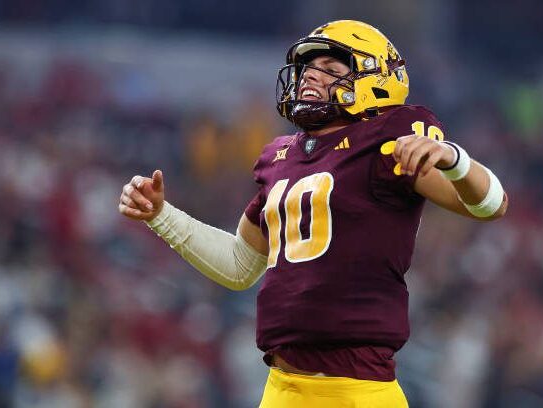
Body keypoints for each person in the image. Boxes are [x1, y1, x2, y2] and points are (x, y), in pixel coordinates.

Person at [118, 20, 508, 407]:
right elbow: (239, 265)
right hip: (281, 389)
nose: (311, 77)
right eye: (309, 67)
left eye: (332, 70)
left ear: (374, 83)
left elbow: (490, 206)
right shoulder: (281, 157)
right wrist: (161, 215)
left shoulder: (388, 140)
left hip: (356, 390)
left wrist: (456, 161)